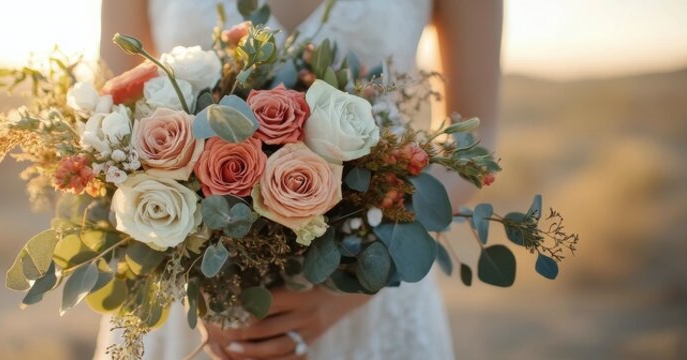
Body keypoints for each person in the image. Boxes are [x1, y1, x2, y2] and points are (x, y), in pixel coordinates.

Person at [97, 0, 502, 358]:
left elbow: (474, 138)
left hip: (368, 295)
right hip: (194, 298)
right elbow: (106, 123)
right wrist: (202, 288)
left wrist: (355, 285)